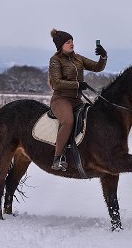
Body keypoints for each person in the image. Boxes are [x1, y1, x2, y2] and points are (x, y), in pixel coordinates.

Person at [48, 28, 107, 171]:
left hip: (76, 100)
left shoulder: (78, 58)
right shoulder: (55, 60)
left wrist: (103, 57)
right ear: (61, 45)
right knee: (68, 121)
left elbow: (97, 68)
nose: (71, 44)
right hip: (61, 99)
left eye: (72, 41)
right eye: (68, 42)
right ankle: (57, 158)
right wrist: (78, 84)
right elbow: (56, 82)